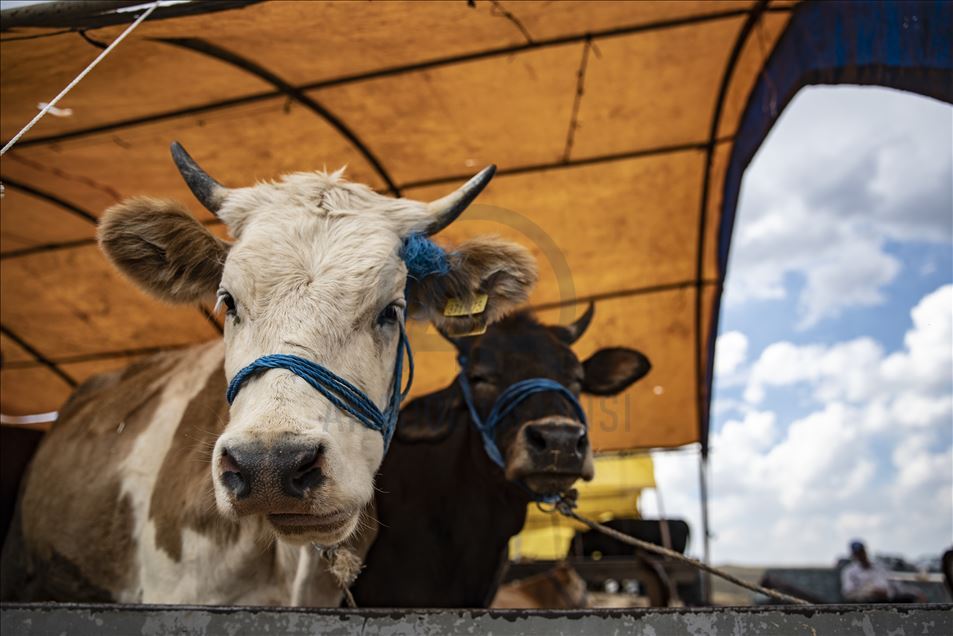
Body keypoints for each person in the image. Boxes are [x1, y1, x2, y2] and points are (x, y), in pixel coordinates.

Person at [840, 540, 925, 603]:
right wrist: (869, 592)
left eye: (862, 552)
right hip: (866, 605)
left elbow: (897, 586)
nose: (861, 555)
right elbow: (848, 593)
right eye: (857, 553)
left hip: (888, 601)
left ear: (865, 551)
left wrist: (916, 593)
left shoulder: (880, 567)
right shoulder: (849, 572)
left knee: (908, 599)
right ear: (853, 555)